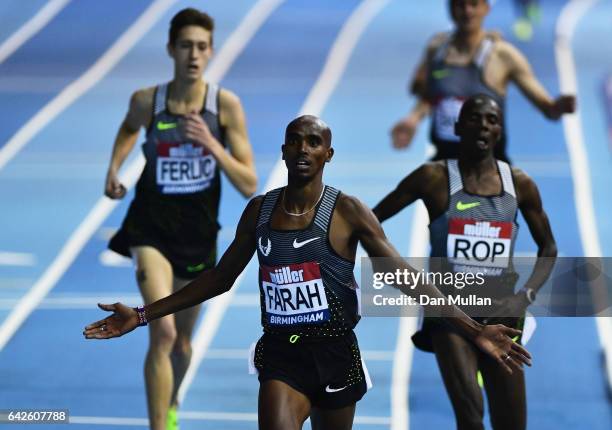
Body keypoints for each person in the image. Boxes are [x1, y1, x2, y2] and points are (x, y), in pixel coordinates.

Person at [86, 115, 531, 430]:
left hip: (336, 352)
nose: (303, 149)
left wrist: (473, 330)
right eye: (295, 141)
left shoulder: (348, 212)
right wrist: (144, 315)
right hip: (282, 355)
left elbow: (406, 277)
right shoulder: (259, 212)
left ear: (328, 153)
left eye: (313, 142)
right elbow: (218, 279)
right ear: (283, 150)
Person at [102, 8, 257, 430]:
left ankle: (171, 404)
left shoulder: (224, 106)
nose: (194, 54)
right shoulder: (147, 101)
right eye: (186, 46)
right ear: (171, 49)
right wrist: (114, 168)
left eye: (202, 47)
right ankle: (160, 426)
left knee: (183, 344)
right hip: (149, 229)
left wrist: (212, 143)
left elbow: (248, 183)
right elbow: (129, 128)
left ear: (211, 51)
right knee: (163, 333)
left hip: (198, 234)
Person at [374, 95, 556, 430]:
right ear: (458, 126)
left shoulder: (520, 184)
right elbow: (369, 222)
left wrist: (524, 296)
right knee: (470, 414)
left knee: (512, 423)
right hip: (449, 315)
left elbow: (549, 248)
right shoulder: (433, 178)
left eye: (491, 119)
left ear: (499, 129)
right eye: (474, 118)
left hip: (503, 313)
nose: (483, 125)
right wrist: (395, 267)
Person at [391, 0, 576, 162]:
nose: (467, 11)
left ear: (486, 8)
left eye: (473, 4)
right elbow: (429, 97)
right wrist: (412, 120)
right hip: (445, 164)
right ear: (450, 8)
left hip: (490, 169)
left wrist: (558, 107)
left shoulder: (503, 55)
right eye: (460, 4)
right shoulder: (437, 49)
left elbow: (547, 107)